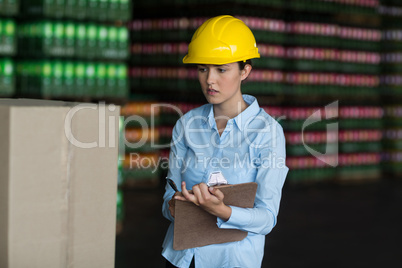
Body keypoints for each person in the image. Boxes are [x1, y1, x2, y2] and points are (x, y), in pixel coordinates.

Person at [161, 15, 289, 268]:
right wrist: (175, 204)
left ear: (245, 70)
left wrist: (222, 211)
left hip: (230, 261)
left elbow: (267, 218)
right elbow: (167, 201)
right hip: (181, 258)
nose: (210, 79)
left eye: (221, 69)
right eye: (202, 69)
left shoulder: (267, 133)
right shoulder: (186, 125)